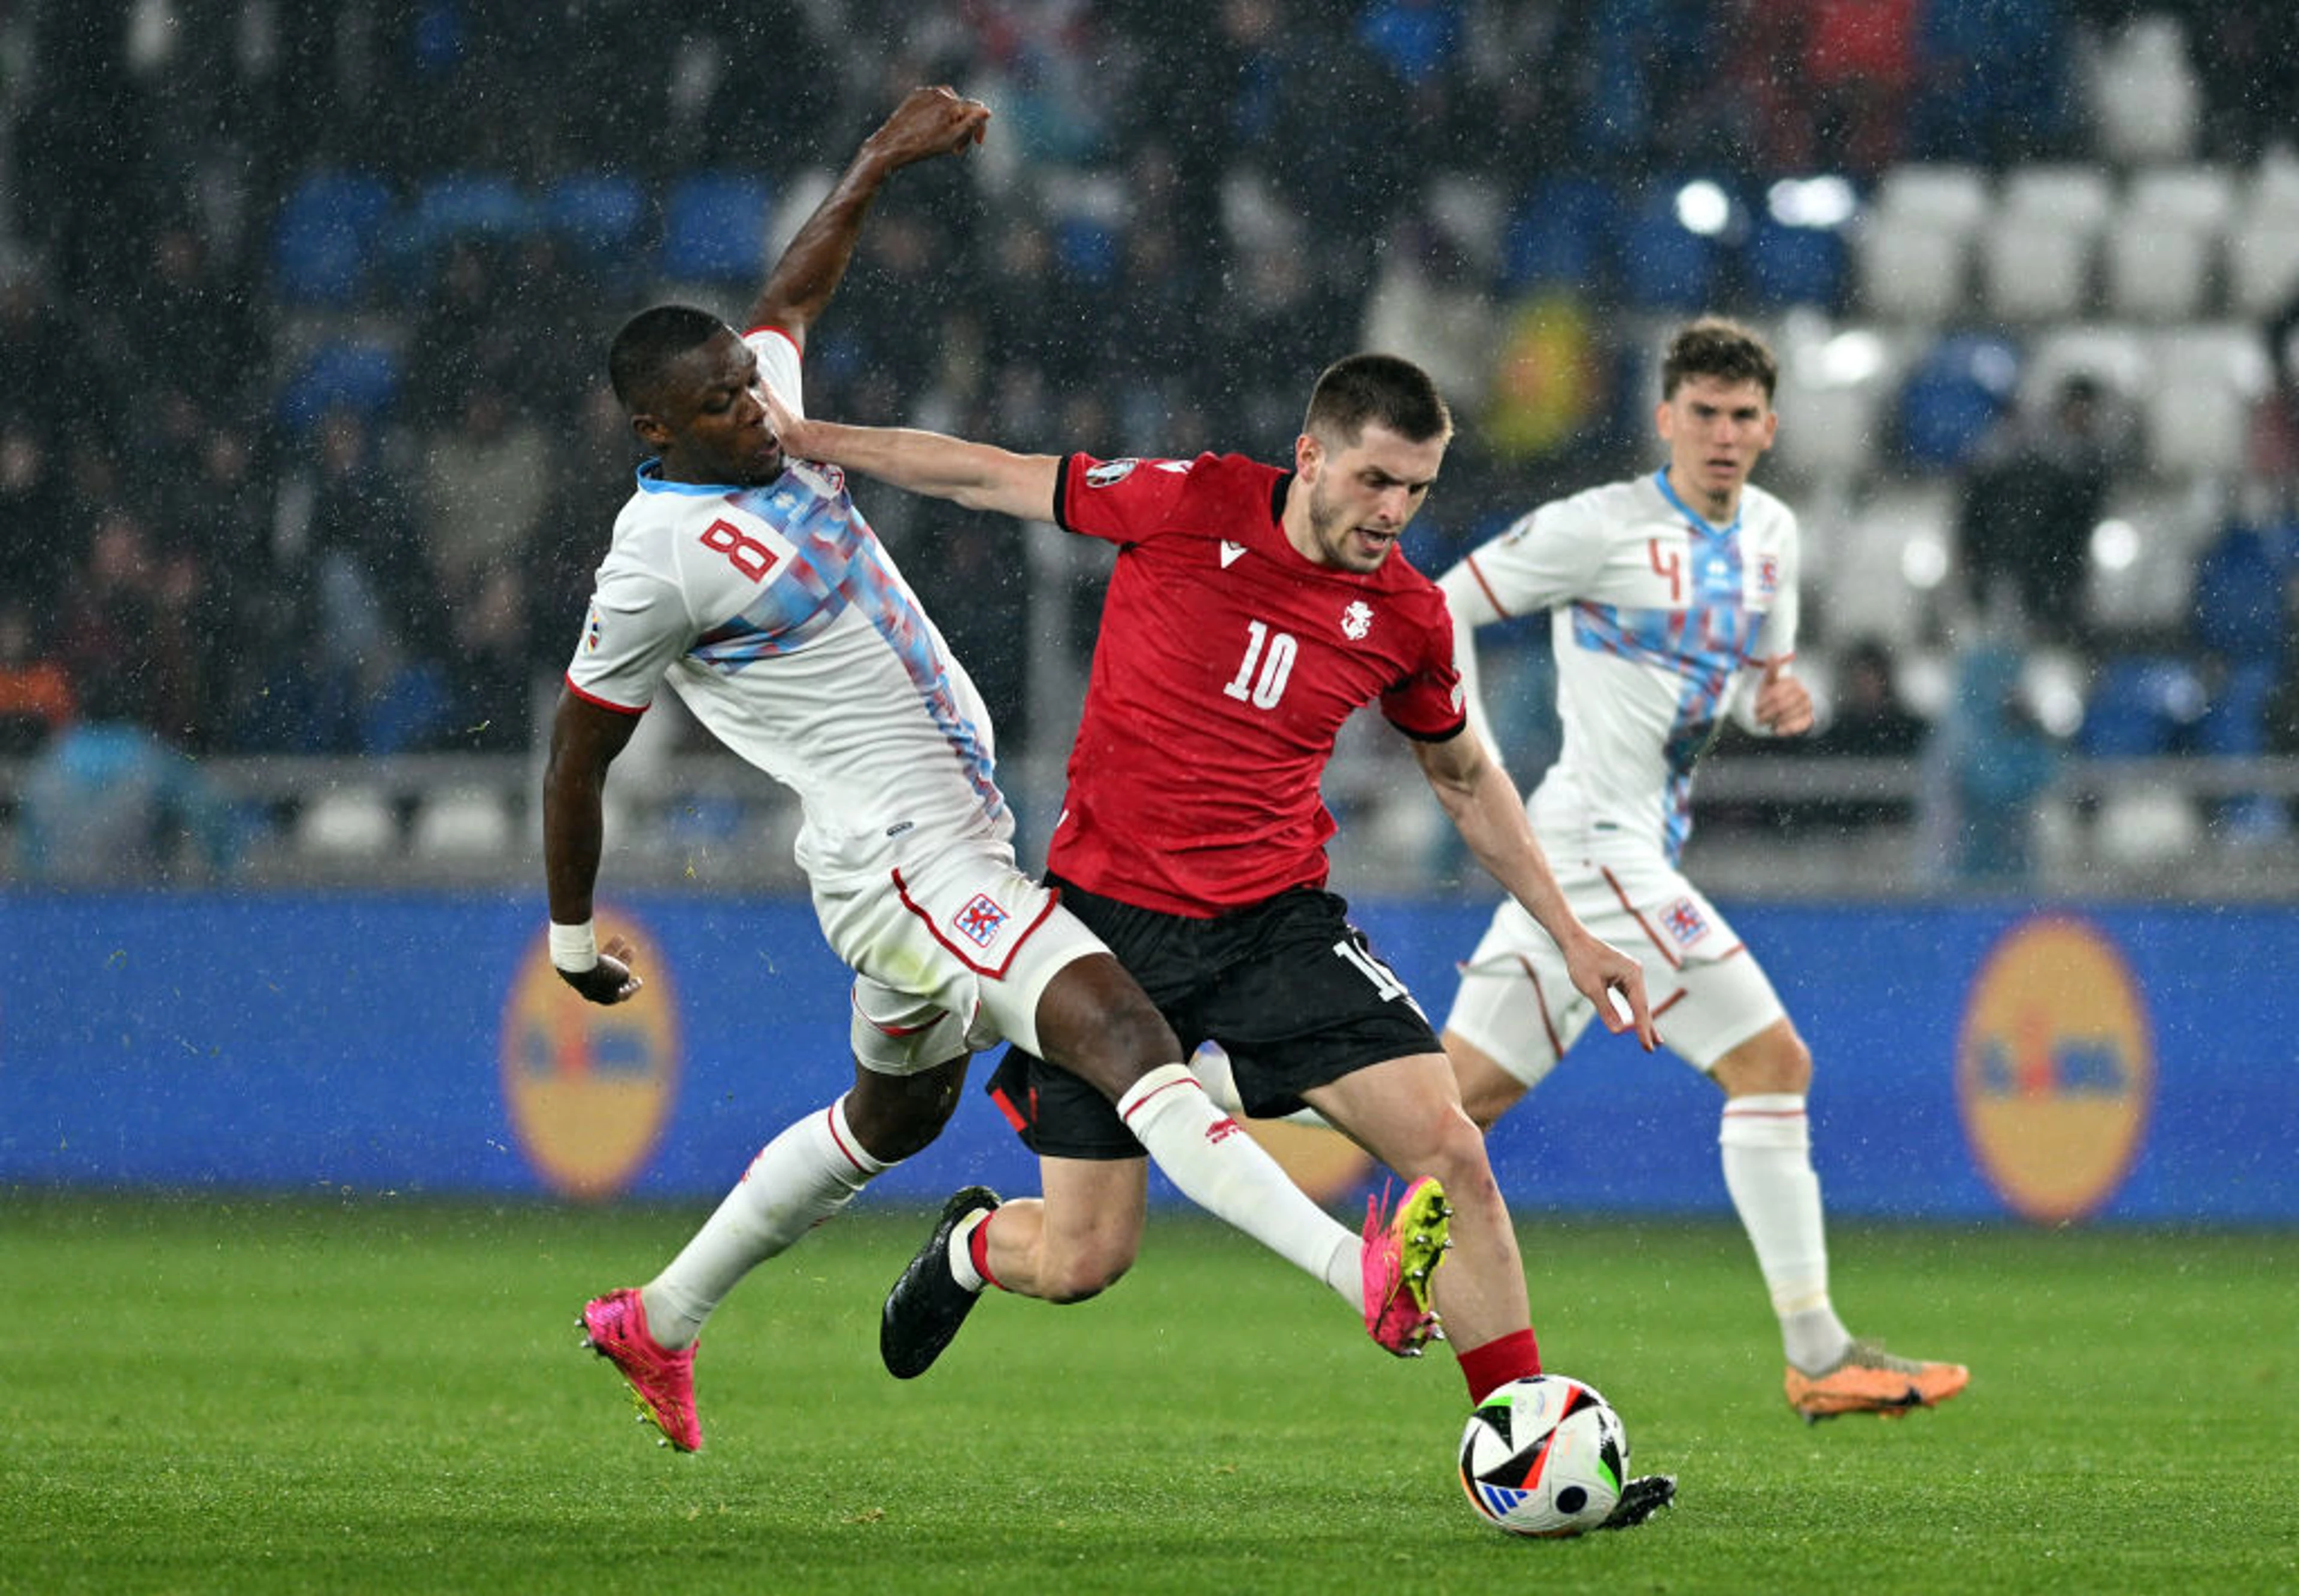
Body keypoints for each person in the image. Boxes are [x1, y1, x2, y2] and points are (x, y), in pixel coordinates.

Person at [545, 87, 1453, 1456]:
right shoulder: (652, 563)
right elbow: (579, 751)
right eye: (721, 408)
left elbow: (793, 292)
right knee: (1130, 1033)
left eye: (749, 383)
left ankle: (657, 1320)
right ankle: (1356, 1275)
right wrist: (568, 934)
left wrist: (871, 163)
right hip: (901, 859)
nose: (755, 411)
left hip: (951, 833)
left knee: (894, 1116)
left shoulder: (769, 417)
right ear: (655, 435)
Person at [765, 354, 1663, 1425]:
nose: (1395, 512)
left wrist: (1569, 932)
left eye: (1417, 490)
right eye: (1376, 480)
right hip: (1105, 934)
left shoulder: (1409, 616)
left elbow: (1465, 775)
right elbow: (987, 476)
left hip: (1275, 924)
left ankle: (1525, 1432)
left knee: (1451, 1145)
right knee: (1083, 1256)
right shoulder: (1192, 500)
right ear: (1311, 454)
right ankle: (969, 1246)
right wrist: (816, 440)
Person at [1433, 316, 1969, 1422]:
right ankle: (1819, 1354)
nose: (1722, 434)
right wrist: (1468, 755)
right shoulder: (1600, 526)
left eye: (1741, 416)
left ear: (1769, 427)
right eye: (1703, 413)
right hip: (1592, 842)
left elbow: (1759, 677)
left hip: (1603, 847)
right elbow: (1444, 603)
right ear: (1665, 418)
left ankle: (1185, 1082)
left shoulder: (1772, 535)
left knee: (1446, 1105)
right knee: (1772, 1063)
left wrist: (1778, 700)